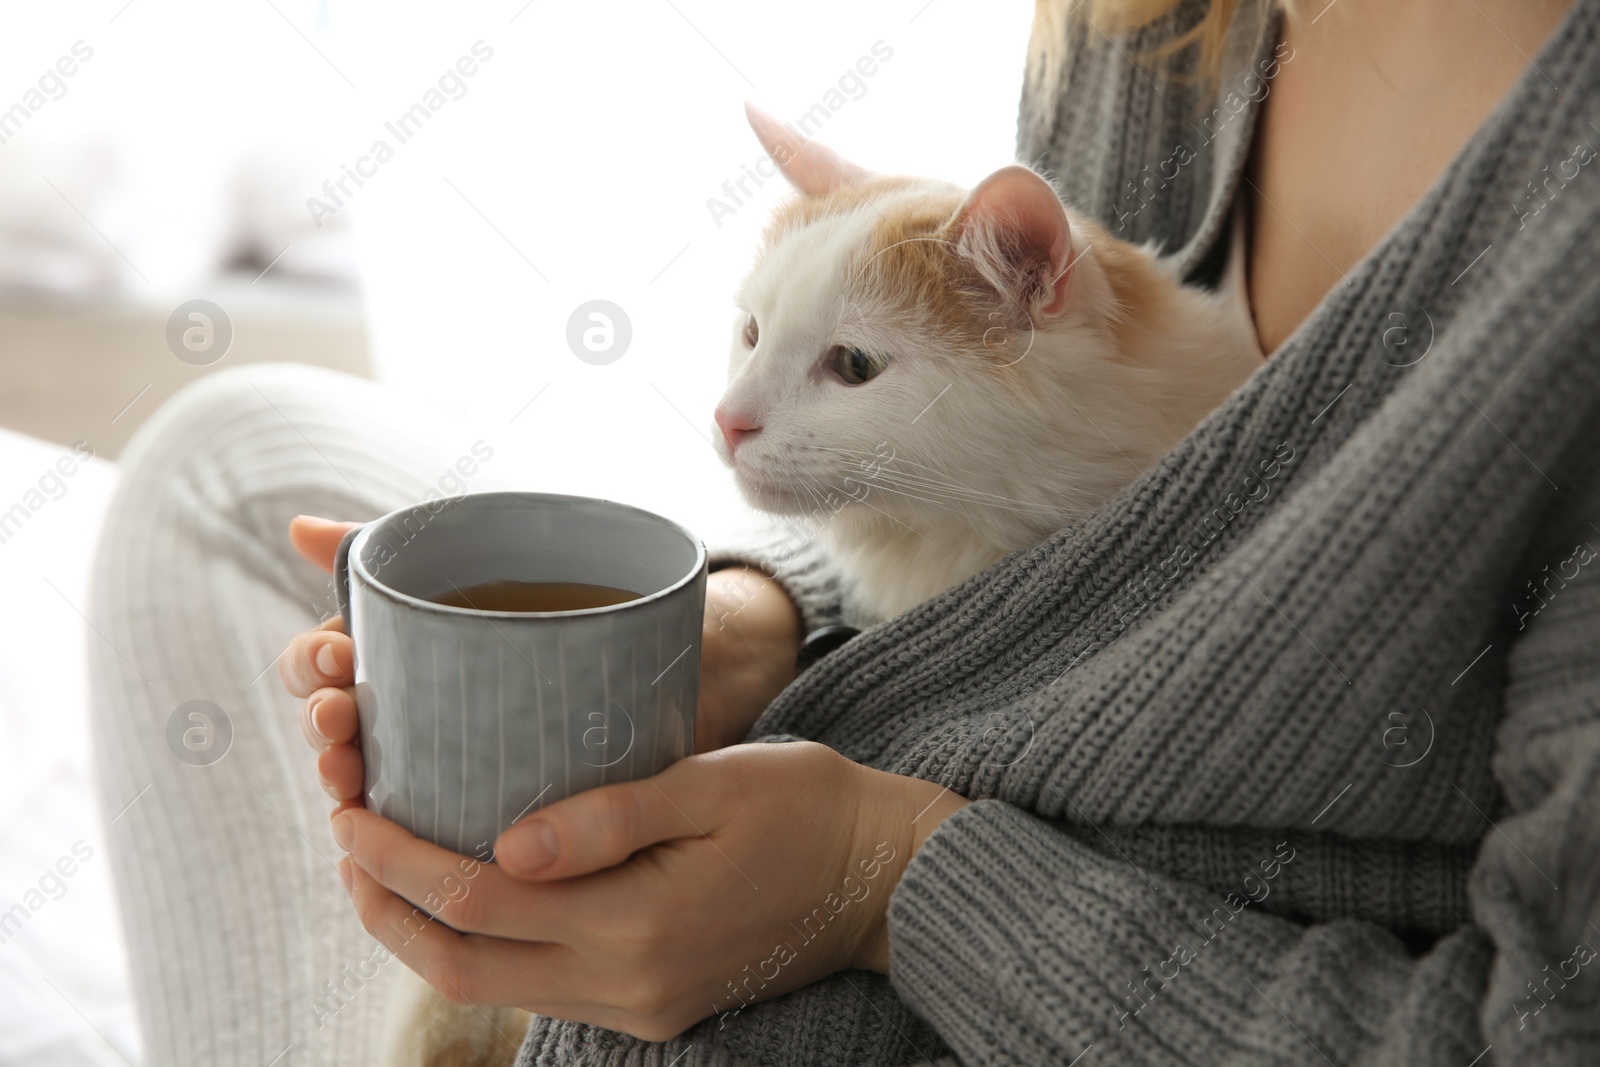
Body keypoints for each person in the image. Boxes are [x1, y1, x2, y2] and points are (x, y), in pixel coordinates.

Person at [88, 0, 1600, 1063]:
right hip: (915, 714)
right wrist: (761, 622)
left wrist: (880, 884)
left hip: (1075, 955)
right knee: (231, 461)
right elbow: (1017, 539)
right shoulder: (1155, 25)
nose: (729, 416)